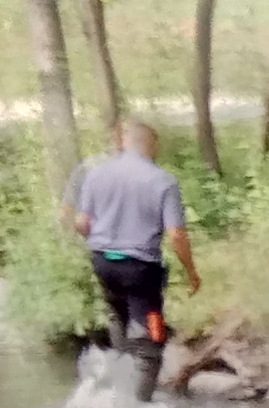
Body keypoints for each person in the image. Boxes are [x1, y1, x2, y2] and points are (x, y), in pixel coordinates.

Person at [66, 120, 196, 373]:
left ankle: (118, 373)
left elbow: (81, 224)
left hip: (103, 263)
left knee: (117, 314)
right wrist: (191, 272)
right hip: (140, 269)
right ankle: (139, 388)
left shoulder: (96, 174)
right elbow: (176, 235)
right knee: (151, 339)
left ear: (125, 143)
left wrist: (103, 239)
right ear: (152, 145)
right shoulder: (163, 180)